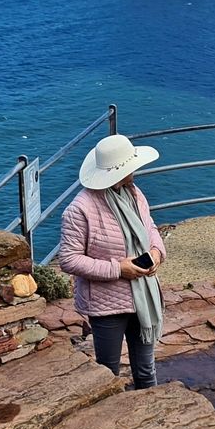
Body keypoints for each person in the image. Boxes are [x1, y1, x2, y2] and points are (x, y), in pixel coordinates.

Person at [55, 133, 166, 388]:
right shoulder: (80, 209)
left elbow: (149, 227)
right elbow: (68, 260)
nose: (135, 171)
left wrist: (156, 252)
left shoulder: (133, 193)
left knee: (146, 370)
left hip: (142, 297)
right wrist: (118, 269)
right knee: (107, 372)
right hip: (106, 305)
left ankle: (150, 410)